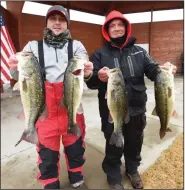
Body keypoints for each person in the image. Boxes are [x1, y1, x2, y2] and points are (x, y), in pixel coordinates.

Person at [85, 10, 177, 189]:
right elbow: (91, 81)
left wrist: (163, 70)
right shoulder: (99, 54)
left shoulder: (140, 52)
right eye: (112, 26)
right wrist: (96, 77)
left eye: (120, 25)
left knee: (135, 142)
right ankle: (113, 175)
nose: (117, 28)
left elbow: (152, 70)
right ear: (106, 30)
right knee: (113, 144)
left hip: (137, 108)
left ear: (126, 28)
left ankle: (132, 169)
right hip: (111, 110)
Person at [8, 5, 93, 189]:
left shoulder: (77, 45)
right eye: (52, 19)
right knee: (47, 151)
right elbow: (16, 76)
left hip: (71, 104)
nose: (57, 23)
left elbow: (85, 71)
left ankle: (76, 173)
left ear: (67, 24)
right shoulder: (32, 46)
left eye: (61, 20)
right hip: (44, 107)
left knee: (75, 146)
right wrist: (14, 67)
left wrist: (87, 72)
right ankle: (50, 181)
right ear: (46, 23)